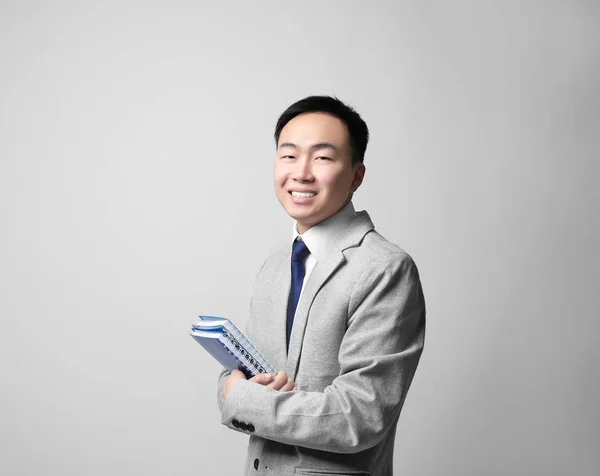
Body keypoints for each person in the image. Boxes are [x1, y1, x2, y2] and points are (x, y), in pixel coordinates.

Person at [217, 96, 426, 476]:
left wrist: (242, 400)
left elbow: (360, 415)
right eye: (289, 155)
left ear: (356, 175)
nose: (301, 173)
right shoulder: (274, 266)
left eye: (323, 158)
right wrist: (235, 388)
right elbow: (243, 377)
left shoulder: (385, 269)